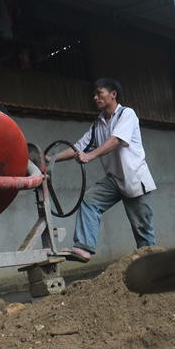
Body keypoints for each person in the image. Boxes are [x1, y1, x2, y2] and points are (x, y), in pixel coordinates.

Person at [51, 78, 156, 262]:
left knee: (142, 228)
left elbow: (115, 140)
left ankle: (154, 266)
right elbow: (78, 147)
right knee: (89, 201)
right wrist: (50, 160)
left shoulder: (127, 114)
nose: (95, 97)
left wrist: (90, 156)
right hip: (114, 180)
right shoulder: (97, 124)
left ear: (113, 94)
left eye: (100, 93)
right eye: (95, 94)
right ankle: (83, 247)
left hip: (134, 178)